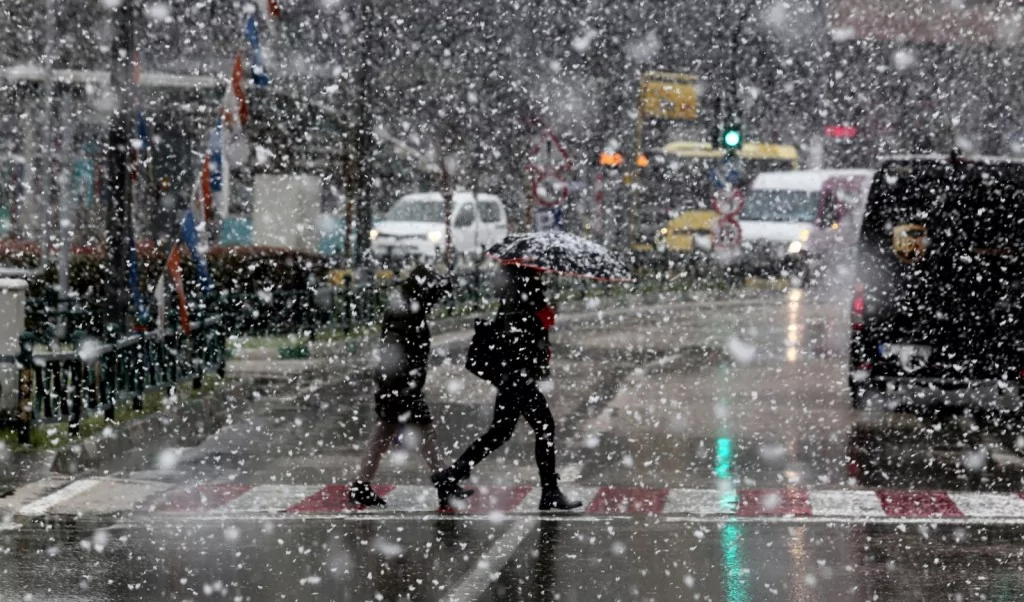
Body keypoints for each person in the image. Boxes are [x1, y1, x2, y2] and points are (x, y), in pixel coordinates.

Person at [432, 265, 582, 511]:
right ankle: (550, 491)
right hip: (517, 377)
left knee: (500, 432)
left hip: (512, 377)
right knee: (544, 427)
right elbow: (522, 338)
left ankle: (450, 477)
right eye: (537, 272)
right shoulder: (525, 296)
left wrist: (542, 320)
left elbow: (524, 335)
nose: (541, 274)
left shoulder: (516, 294)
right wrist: (541, 319)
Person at [349, 265, 473, 507]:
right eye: (433, 296)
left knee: (393, 433)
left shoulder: (408, 309)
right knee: (419, 433)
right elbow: (396, 353)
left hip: (400, 385)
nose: (434, 302)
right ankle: (443, 484)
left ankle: (362, 486)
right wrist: (401, 385)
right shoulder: (405, 313)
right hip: (400, 386)